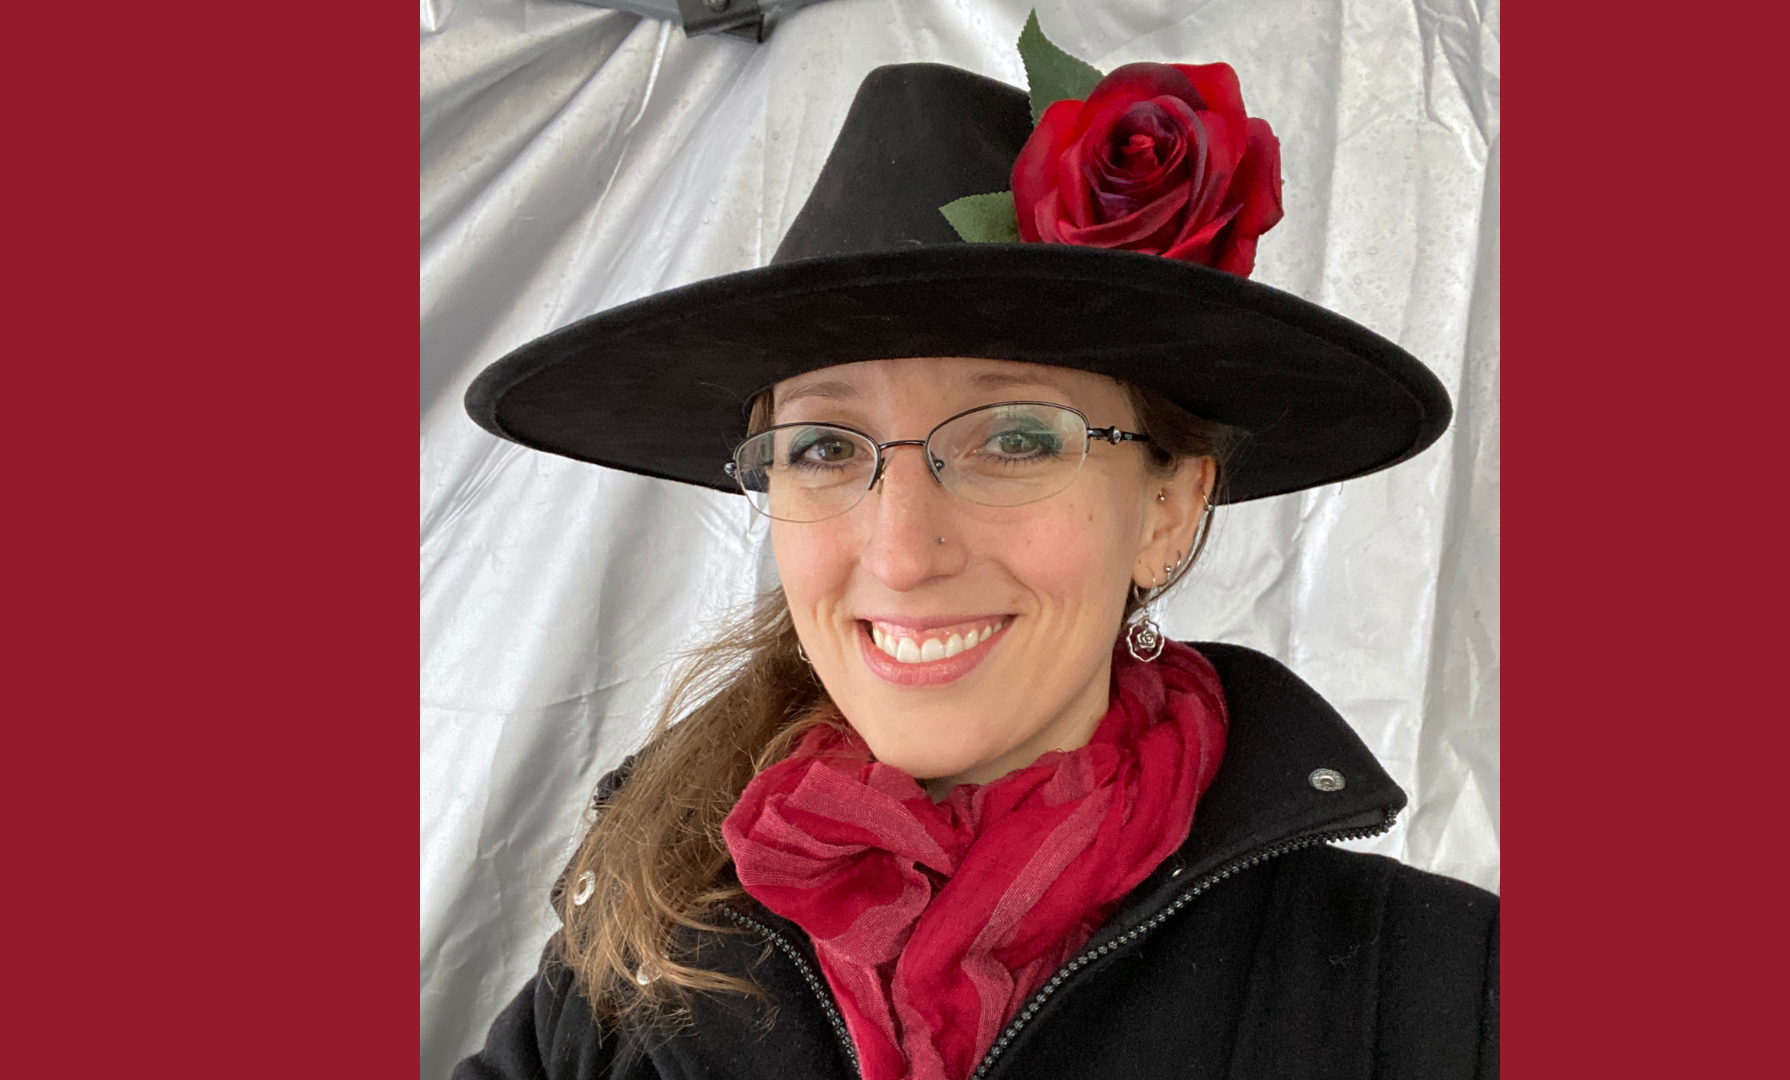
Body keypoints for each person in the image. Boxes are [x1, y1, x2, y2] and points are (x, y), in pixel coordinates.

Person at [452, 55, 1495, 1080]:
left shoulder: (1444, 998)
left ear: (1169, 512)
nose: (903, 555)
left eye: (1017, 440)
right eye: (822, 448)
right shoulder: (637, 958)